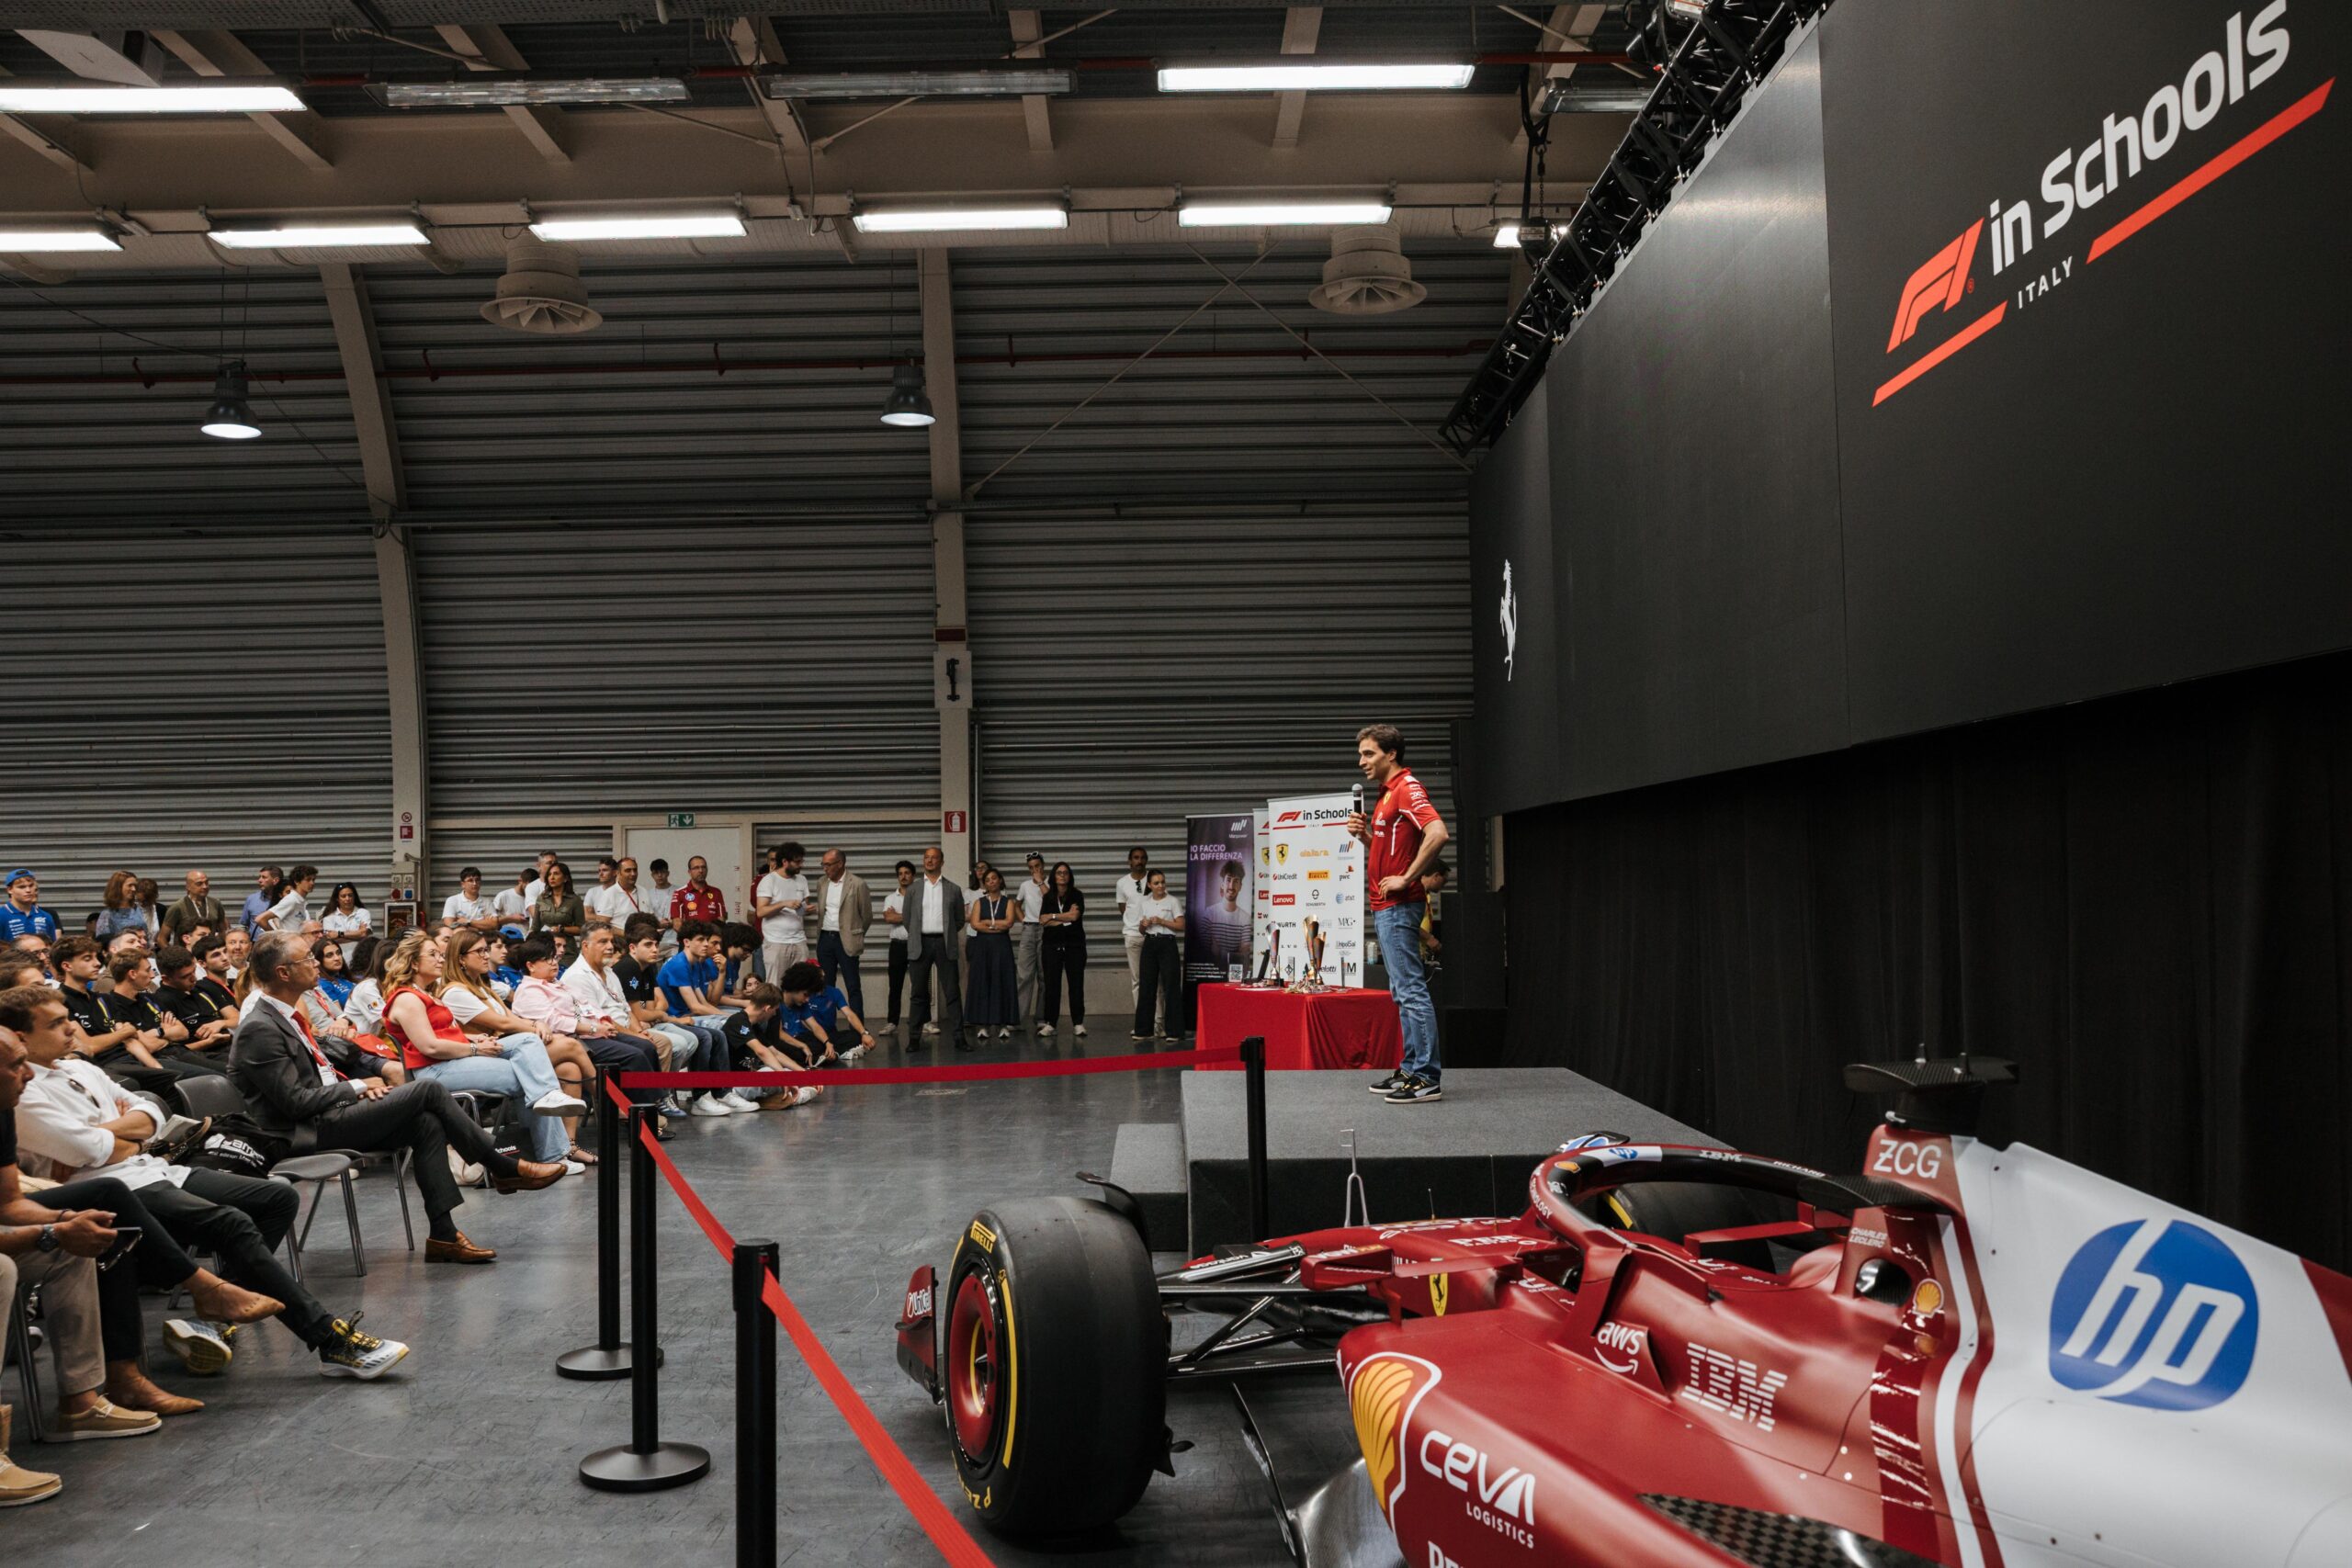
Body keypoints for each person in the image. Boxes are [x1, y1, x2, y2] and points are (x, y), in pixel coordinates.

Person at [4, 983, 408, 1382]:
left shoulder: (80, 1067)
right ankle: (330, 1340)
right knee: (231, 1223)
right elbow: (89, 1149)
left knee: (278, 1198)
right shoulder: (21, 1091)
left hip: (155, 1169)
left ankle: (217, 1316)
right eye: (55, 1024)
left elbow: (154, 1114)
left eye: (68, 1019)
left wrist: (120, 1136)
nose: (72, 1028)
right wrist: (126, 1131)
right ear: (21, 1037)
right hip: (112, 1188)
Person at [231, 931, 565, 1264]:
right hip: (302, 1132)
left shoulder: (286, 1015)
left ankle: (444, 1235)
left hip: (329, 1114)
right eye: (307, 958)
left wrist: (362, 1082)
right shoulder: (260, 1027)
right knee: (428, 1089)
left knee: (426, 1123)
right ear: (283, 973)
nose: (315, 962)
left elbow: (322, 1072)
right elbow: (295, 1104)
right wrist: (356, 1087)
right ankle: (501, 1166)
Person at [0, 1020, 164, 1463]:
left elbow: (9, 1203)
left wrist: (66, 1222)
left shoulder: (3, 1108)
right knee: (4, 1268)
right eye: (16, 1066)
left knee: (76, 1246)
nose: (30, 1075)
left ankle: (81, 1404)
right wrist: (52, 1230)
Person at [1350, 723, 1450, 1106]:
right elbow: (1392, 849)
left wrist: (1407, 878)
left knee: (1410, 990)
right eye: (1360, 754)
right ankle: (1411, 1069)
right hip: (1386, 906)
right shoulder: (1387, 793)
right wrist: (1365, 838)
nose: (1362, 761)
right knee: (1401, 991)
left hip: (1399, 904)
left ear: (1391, 754)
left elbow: (1438, 833)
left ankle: (1426, 1077)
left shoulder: (1406, 787)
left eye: (1369, 753)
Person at [429, 930, 591, 1161]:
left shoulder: (482, 988)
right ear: (461, 958)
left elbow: (511, 1017)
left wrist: (534, 1023)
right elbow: (502, 1023)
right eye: (480, 951)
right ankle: (611, 1102)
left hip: (503, 1049)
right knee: (569, 1046)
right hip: (483, 1055)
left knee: (569, 1069)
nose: (486, 956)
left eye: (486, 950)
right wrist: (534, 1028)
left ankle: (567, 1147)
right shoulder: (455, 992)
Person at [511, 933, 659, 1150]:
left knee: (645, 1046)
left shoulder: (557, 984)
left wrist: (603, 1021)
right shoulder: (529, 990)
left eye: (554, 958)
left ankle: (651, 1107)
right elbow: (553, 1022)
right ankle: (628, 1111)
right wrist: (593, 1028)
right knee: (633, 1056)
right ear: (531, 966)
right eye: (547, 959)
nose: (554, 963)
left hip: (586, 1035)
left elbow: (586, 1006)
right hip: (568, 1040)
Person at [659, 919, 758, 1116]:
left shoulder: (695, 963)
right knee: (714, 1032)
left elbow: (704, 1003)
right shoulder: (679, 964)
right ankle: (702, 1096)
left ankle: (724, 1091)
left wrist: (729, 1017)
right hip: (676, 1019)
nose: (707, 945)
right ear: (687, 942)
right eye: (701, 940)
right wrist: (729, 1017)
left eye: (707, 940)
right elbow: (696, 1007)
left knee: (723, 1029)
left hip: (690, 1015)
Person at [301, 939, 401, 1084]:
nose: (337, 958)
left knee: (398, 1069)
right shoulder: (315, 988)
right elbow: (388, 1023)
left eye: (338, 953)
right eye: (329, 955)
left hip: (353, 1041)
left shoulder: (321, 987)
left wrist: (343, 1022)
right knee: (391, 1073)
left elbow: (344, 1017)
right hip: (338, 1048)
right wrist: (341, 1027)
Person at [903, 846, 967, 1052]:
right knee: (918, 993)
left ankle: (959, 1038)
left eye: (934, 858)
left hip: (944, 943)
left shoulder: (953, 889)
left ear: (942, 862)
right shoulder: (913, 889)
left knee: (952, 992)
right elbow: (907, 919)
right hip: (920, 943)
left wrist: (946, 933)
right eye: (926, 858)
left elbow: (959, 920)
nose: (929, 861)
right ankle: (914, 1038)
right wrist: (918, 934)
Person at [775, 961, 877, 1066]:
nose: (807, 999)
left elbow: (815, 1026)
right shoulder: (777, 1002)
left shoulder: (806, 1003)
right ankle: (826, 1056)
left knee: (825, 1043)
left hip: (809, 1040)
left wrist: (827, 1043)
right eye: (805, 995)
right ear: (795, 988)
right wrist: (802, 1045)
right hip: (790, 1043)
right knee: (783, 1047)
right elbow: (780, 1034)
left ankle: (823, 1056)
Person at [964, 870, 1019, 1043]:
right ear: (985, 884)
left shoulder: (1008, 902)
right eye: (987, 880)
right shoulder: (979, 902)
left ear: (1000, 880)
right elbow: (975, 924)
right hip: (983, 946)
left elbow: (1009, 923)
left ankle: (1003, 1024)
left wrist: (988, 923)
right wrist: (996, 927)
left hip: (1002, 947)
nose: (991, 881)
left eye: (994, 878)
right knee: (983, 981)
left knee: (1002, 981)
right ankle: (983, 1025)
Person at [151, 944, 236, 1055]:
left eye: (194, 971)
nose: (194, 978)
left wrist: (221, 1023)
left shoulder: (204, 986)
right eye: (185, 976)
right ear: (166, 978)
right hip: (203, 1054)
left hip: (232, 1044)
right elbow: (171, 1051)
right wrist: (208, 1042)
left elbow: (237, 1018)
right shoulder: (161, 1002)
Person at [1131, 870, 1184, 1041]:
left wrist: (1162, 921)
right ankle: (1143, 1030)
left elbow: (1181, 925)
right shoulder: (1145, 903)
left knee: (1171, 986)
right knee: (1146, 985)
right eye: (1156, 883)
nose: (1160, 886)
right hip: (1150, 943)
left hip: (1167, 943)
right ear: (1149, 885)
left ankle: (1174, 1031)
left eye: (1162, 882)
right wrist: (1144, 924)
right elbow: (1141, 930)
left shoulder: (1173, 901)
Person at [1038, 861, 1089, 1038]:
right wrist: (1063, 917)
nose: (1062, 876)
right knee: (1052, 985)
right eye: (1059, 873)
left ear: (1070, 876)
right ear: (1053, 876)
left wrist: (1053, 917)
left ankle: (1078, 1023)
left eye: (1065, 873)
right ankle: (1051, 1023)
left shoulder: (1077, 895)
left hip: (1074, 946)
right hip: (1051, 946)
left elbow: (1075, 917)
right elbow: (1043, 921)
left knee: (1076, 985)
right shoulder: (1048, 897)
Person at [754, 842, 810, 982]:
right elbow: (760, 912)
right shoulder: (769, 881)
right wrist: (783, 903)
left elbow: (803, 908)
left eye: (802, 861)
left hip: (799, 941)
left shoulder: (802, 880)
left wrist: (807, 910)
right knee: (775, 985)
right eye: (797, 862)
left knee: (801, 984)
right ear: (785, 862)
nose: (801, 865)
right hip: (776, 942)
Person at [878, 860, 915, 1033]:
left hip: (916, 944)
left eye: (907, 873)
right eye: (900, 874)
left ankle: (924, 1021)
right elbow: (889, 918)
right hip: (897, 946)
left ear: (913, 876)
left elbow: (921, 918)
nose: (903, 876)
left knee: (919, 985)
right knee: (895, 986)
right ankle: (892, 1022)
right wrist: (910, 916)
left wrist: (898, 915)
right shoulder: (890, 898)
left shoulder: (919, 896)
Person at [1012, 853, 1047, 1031]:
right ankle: (1018, 1019)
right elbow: (1016, 905)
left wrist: (1040, 882)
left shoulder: (1050, 883)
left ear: (1043, 865)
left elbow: (1051, 899)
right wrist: (1023, 920)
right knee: (1024, 975)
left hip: (1046, 929)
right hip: (1029, 929)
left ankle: (1041, 1017)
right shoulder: (1025, 885)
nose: (1035, 870)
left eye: (1037, 866)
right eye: (1031, 867)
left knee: (1044, 976)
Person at [1114, 846, 1153, 1004]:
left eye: (1142, 858)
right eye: (1136, 858)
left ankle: (1158, 1017)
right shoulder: (1122, 883)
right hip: (1132, 935)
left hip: (1153, 934)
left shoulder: (1153, 879)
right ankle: (1141, 1017)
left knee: (1155, 978)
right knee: (1137, 979)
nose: (1139, 861)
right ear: (1130, 861)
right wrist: (1133, 923)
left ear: (1146, 860)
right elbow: (1123, 908)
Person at [529, 860, 587, 964]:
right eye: (549, 874)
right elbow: (535, 927)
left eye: (556, 874)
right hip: (546, 949)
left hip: (567, 951)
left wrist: (562, 929)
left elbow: (581, 929)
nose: (552, 877)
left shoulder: (575, 900)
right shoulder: (542, 898)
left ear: (565, 878)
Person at [160, 869, 225, 946]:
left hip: (209, 951)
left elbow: (224, 931)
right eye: (199, 884)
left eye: (206, 882)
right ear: (188, 887)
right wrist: (172, 953)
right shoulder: (178, 907)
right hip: (186, 952)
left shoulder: (216, 903)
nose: (205, 886)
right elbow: (161, 939)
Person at [256, 863, 322, 937]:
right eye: (308, 880)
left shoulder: (299, 901)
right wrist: (277, 937)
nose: (312, 883)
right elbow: (260, 919)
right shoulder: (291, 899)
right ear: (297, 881)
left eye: (313, 880)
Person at [0, 868, 62, 945]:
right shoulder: (2, 915)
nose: (28, 890)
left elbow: (52, 947)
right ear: (9, 890)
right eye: (22, 887)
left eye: (31, 885)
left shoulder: (45, 916)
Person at [321, 882, 371, 964]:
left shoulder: (363, 913)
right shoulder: (329, 917)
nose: (347, 899)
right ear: (337, 899)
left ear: (354, 897)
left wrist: (338, 934)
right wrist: (357, 936)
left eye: (350, 895)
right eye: (343, 896)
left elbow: (364, 934)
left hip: (361, 961)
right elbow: (330, 940)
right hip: (338, 962)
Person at [672, 854, 727, 927]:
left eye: (703, 867)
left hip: (712, 933)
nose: (701, 871)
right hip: (690, 934)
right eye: (696, 868)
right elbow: (677, 924)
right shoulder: (679, 893)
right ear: (689, 872)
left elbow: (721, 920)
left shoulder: (716, 892)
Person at [95, 872, 147, 944]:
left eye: (135, 886)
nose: (134, 889)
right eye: (130, 885)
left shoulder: (139, 909)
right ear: (118, 888)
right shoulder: (107, 914)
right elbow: (103, 942)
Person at [643, 859, 681, 949]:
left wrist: (674, 922)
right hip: (655, 941)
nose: (660, 875)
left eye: (662, 872)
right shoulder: (647, 894)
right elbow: (645, 919)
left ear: (668, 873)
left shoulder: (679, 891)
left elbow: (685, 914)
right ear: (652, 875)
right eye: (656, 873)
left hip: (675, 941)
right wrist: (658, 924)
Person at [492, 866, 534, 931]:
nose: (530, 890)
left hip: (528, 936)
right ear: (520, 881)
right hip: (508, 936)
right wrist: (511, 918)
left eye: (533, 888)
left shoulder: (533, 898)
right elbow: (491, 921)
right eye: (528, 887)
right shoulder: (504, 895)